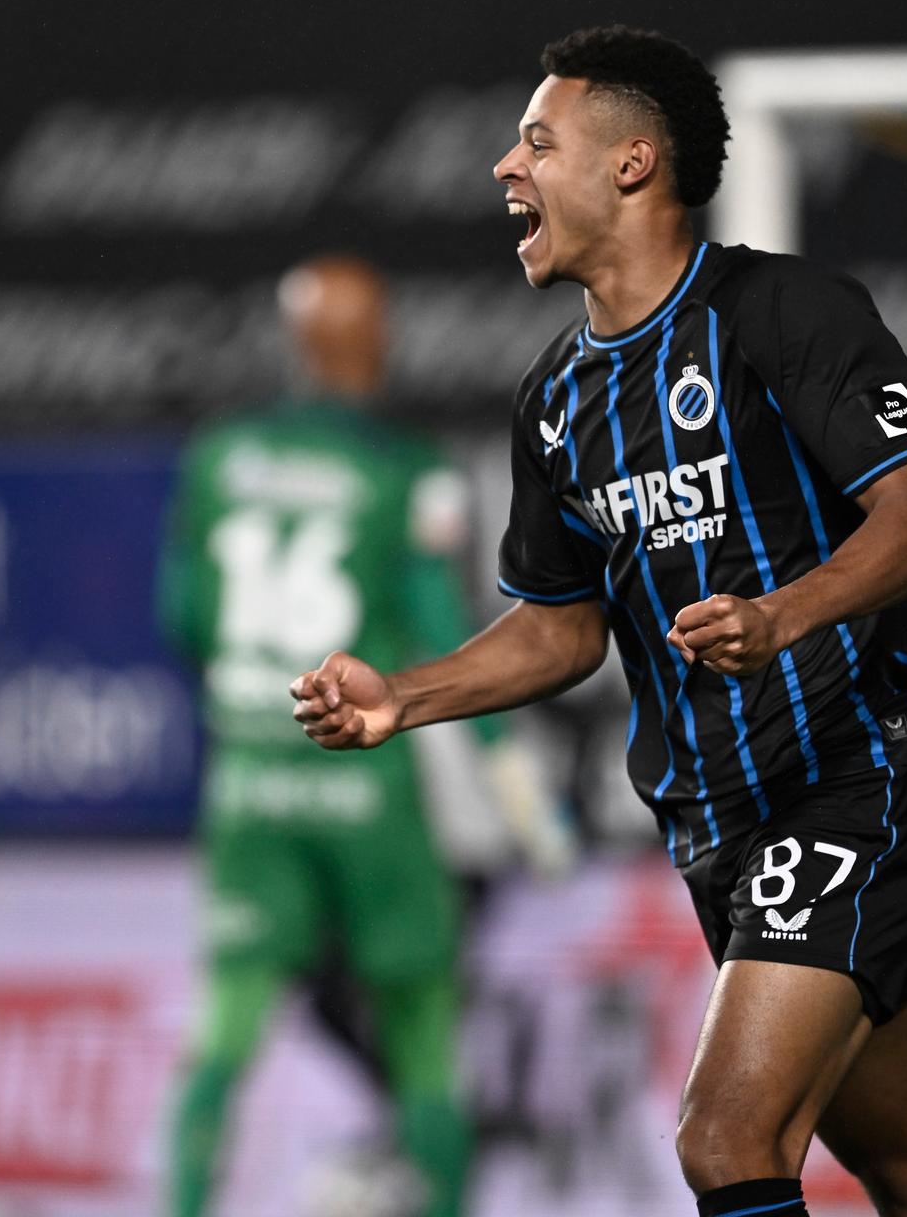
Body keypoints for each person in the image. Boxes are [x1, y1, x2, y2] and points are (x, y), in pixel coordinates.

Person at [291, 27, 907, 1217]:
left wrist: (781, 614)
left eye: (537, 141)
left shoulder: (785, 311)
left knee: (725, 1137)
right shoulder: (555, 400)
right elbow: (560, 630)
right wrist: (404, 695)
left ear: (632, 162)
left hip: (853, 775)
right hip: (717, 823)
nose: (507, 167)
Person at [158, 254, 562, 1217]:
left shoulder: (219, 459)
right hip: (367, 789)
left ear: (294, 343)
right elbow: (444, 632)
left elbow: (181, 618)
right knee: (422, 1028)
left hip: (253, 781)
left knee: (225, 1027)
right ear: (377, 342)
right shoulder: (406, 472)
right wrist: (517, 785)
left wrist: (255, 715)